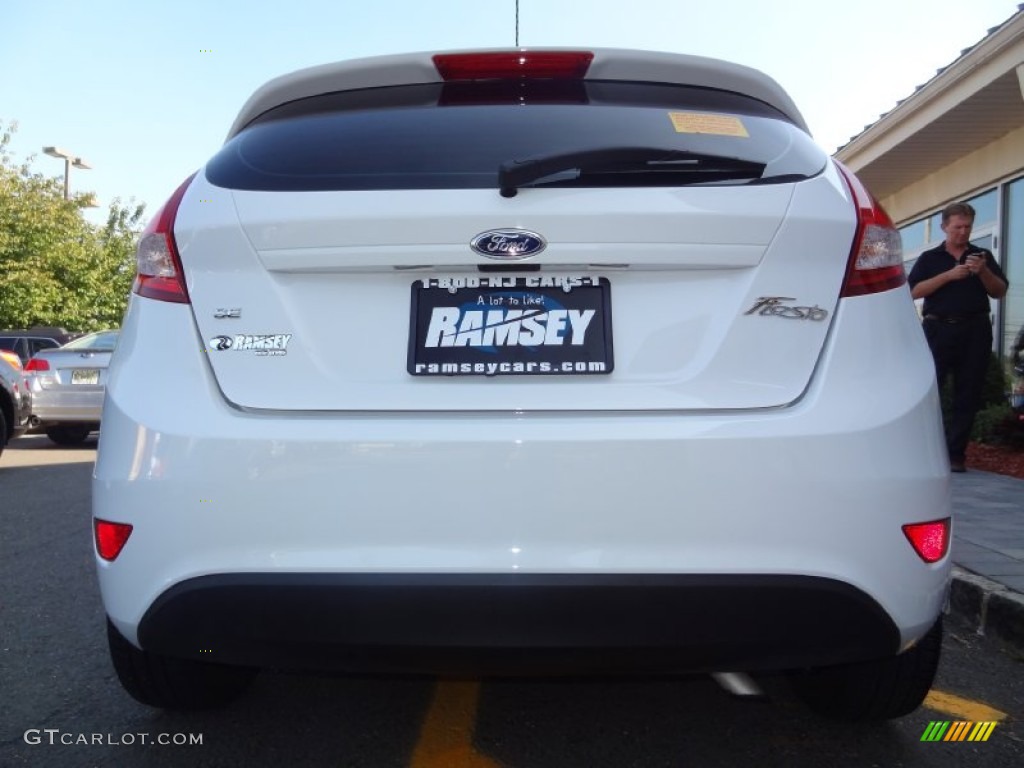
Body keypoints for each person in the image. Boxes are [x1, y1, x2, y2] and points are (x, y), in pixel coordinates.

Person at [908, 202, 1009, 472]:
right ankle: (928, 449)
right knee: (932, 391)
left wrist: (983, 272)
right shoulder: (930, 259)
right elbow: (913, 291)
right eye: (957, 227)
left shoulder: (982, 256)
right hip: (938, 329)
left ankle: (956, 454)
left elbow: (999, 292)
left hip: (974, 330)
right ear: (944, 227)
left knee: (969, 392)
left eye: (967, 227)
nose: (963, 232)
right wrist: (949, 276)